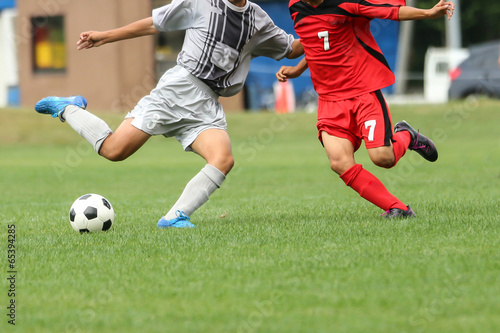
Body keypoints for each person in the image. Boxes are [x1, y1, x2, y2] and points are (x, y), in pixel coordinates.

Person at [35, 0, 304, 228]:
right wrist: (106, 35)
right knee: (113, 150)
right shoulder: (202, 4)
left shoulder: (258, 19)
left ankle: (175, 217)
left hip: (208, 103)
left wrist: (325, 29)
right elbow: (155, 23)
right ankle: (68, 108)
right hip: (178, 89)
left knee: (222, 159)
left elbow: (290, 49)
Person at [276, 0, 455, 218]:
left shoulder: (346, 3)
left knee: (383, 158)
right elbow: (317, 40)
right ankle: (398, 208)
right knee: (339, 162)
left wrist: (428, 13)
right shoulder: (296, 7)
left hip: (363, 92)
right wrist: (296, 70)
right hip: (330, 100)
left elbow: (392, 12)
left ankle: (407, 135)